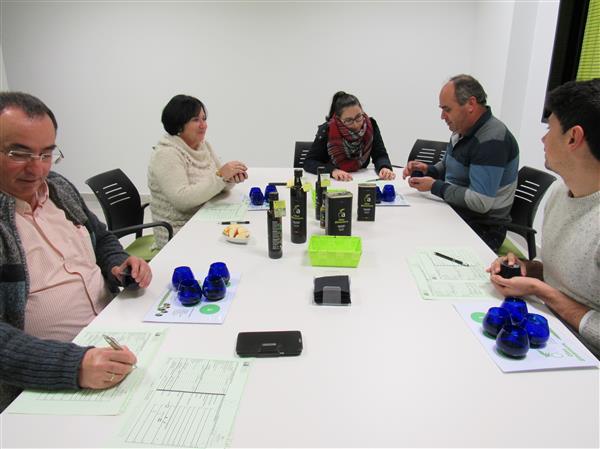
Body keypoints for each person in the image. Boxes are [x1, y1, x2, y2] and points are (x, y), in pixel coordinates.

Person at [0, 92, 152, 412]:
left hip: (113, 334)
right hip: (46, 378)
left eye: (46, 153)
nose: (37, 169)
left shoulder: (59, 188)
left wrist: (118, 263)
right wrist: (73, 365)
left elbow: (102, 238)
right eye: (19, 153)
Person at [487, 79, 600, 357]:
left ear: (573, 137)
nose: (543, 139)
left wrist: (542, 291)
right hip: (546, 328)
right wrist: (525, 268)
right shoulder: (561, 192)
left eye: (549, 128)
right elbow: (560, 273)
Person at [403, 75, 519, 252]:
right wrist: (429, 170)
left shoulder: (491, 140)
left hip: (484, 227)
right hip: (457, 211)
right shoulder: (461, 129)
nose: (442, 116)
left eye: (447, 109)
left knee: (415, 241)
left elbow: (480, 202)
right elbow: (447, 166)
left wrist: (434, 186)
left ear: (471, 104)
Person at [148, 95, 248, 249]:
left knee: (243, 233)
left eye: (204, 119)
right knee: (236, 246)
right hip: (178, 231)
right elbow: (182, 200)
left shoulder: (203, 145)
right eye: (196, 120)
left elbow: (218, 184)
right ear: (178, 124)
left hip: (203, 218)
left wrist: (229, 178)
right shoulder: (166, 154)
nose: (203, 125)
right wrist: (221, 176)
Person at [304, 91, 395, 181]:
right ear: (338, 119)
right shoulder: (327, 129)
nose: (356, 125)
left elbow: (380, 155)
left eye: (358, 117)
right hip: (334, 182)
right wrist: (332, 171)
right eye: (349, 120)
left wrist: (384, 167)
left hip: (360, 180)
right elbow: (309, 162)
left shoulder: (370, 126)